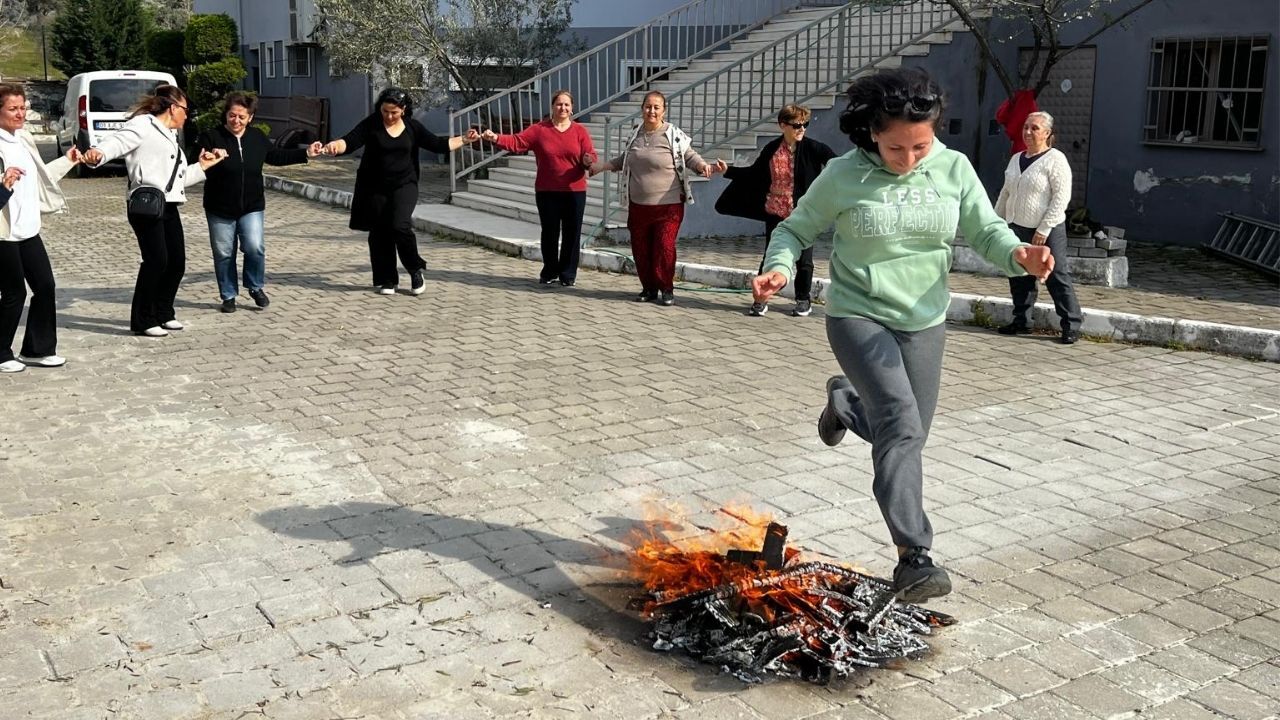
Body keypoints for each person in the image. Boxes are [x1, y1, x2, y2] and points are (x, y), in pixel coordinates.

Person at [751, 68, 1053, 603]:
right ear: (871, 132)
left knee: (908, 432)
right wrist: (778, 266)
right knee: (901, 426)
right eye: (897, 148)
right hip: (858, 314)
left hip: (925, 319)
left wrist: (1019, 254)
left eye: (922, 145)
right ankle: (914, 557)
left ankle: (845, 402)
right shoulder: (844, 175)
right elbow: (795, 228)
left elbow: (985, 230)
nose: (911, 158)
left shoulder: (953, 168)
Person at [84, 85, 227, 338]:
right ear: (173, 108)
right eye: (185, 109)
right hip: (146, 205)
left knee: (176, 263)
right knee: (156, 261)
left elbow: (177, 180)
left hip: (169, 204)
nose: (187, 115)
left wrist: (203, 166)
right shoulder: (143, 125)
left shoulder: (170, 135)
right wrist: (99, 153)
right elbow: (116, 142)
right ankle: (142, 319)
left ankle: (164, 312)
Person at [323, 88, 479, 295]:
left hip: (404, 185)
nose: (388, 116)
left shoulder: (413, 128)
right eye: (385, 111)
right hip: (374, 187)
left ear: (403, 110)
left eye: (393, 112)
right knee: (379, 232)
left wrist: (465, 139)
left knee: (399, 225)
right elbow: (350, 141)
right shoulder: (372, 124)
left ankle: (415, 269)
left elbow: (438, 144)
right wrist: (335, 146)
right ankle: (387, 279)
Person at [589, 91, 726, 305]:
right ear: (642, 109)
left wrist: (704, 167)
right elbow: (626, 160)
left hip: (668, 206)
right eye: (648, 107)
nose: (651, 111)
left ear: (664, 110)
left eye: (656, 107)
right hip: (639, 206)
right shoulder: (635, 134)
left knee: (664, 246)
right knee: (641, 248)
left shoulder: (672, 134)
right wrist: (601, 167)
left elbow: (689, 156)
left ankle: (666, 288)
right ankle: (649, 288)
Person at [198, 92, 323, 313]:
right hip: (220, 208)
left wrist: (306, 154)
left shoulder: (256, 138)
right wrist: (208, 157)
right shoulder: (211, 136)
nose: (236, 121)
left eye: (241, 117)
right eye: (232, 115)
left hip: (252, 206)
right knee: (224, 253)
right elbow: (194, 160)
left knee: (255, 247)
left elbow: (276, 156)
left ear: (250, 118)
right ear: (225, 115)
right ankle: (228, 295)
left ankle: (255, 287)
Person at [716, 104, 837, 317]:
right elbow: (754, 174)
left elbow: (837, 164)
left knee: (804, 260)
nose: (802, 129)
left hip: (802, 215)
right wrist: (728, 170)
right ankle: (761, 299)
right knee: (770, 256)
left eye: (805, 124)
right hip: (775, 211)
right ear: (783, 125)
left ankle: (803, 299)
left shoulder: (814, 148)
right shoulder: (772, 149)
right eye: (797, 125)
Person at [0, 82, 82, 373]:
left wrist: (68, 161)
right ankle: (1, 352)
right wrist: (3, 183)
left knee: (45, 287)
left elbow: (41, 178)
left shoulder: (24, 139)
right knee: (13, 294)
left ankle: (37, 349)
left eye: (23, 107)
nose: (20, 114)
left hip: (28, 229)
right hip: (3, 233)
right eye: (13, 108)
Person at [481, 90, 596, 286]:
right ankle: (550, 271)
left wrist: (589, 160)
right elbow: (517, 142)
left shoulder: (580, 131)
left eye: (567, 105)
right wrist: (495, 138)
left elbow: (591, 155)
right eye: (559, 104)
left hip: (574, 191)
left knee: (572, 233)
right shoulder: (539, 130)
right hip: (547, 191)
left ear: (572, 108)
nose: (563, 108)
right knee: (549, 232)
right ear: (552, 107)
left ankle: (568, 275)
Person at [994, 111, 1081, 344]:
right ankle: (1021, 320)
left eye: (1035, 128)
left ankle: (1071, 324)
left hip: (1047, 230)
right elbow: (1006, 192)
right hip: (1016, 226)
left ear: (1048, 133)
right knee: (1018, 275)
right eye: (1026, 127)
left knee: (1056, 274)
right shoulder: (1016, 159)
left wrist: (1044, 228)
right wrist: (996, 220)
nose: (1028, 132)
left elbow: (1061, 198)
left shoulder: (1055, 159)